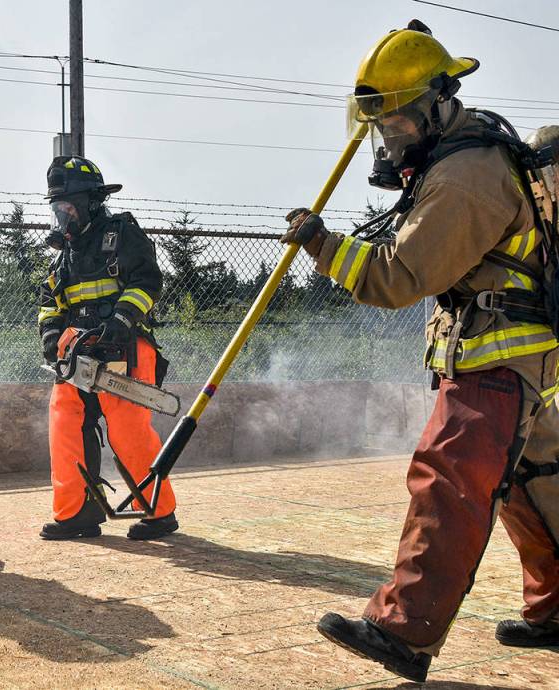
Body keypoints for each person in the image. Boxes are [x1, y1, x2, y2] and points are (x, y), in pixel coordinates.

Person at [281, 21, 559, 682]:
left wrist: (323, 246)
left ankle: (403, 632)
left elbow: (396, 278)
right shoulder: (463, 157)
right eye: (383, 128)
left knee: (450, 481)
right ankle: (556, 611)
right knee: (534, 485)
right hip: (526, 354)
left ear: (439, 104)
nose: (390, 140)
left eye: (400, 124)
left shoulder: (465, 174)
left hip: (497, 357)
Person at [37, 155, 177, 541]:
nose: (62, 213)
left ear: (90, 201)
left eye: (68, 205)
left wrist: (120, 321)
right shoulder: (64, 253)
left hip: (123, 347)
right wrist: (52, 337)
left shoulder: (121, 233)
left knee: (127, 430)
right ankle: (76, 512)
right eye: (57, 207)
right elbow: (50, 302)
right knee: (65, 422)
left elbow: (147, 281)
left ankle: (159, 512)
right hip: (76, 352)